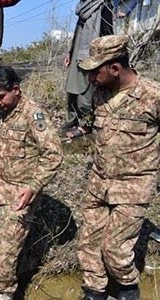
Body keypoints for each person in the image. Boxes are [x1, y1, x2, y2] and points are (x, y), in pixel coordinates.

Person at [0, 66, 62, 299]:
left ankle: (5, 291)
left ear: (15, 89)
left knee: (4, 261)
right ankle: (9, 232)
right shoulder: (3, 112)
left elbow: (54, 155)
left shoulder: (33, 114)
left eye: (0, 97)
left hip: (19, 193)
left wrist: (34, 187)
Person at [77, 35, 160, 300]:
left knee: (114, 248)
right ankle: (95, 291)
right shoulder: (100, 93)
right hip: (99, 181)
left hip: (134, 184)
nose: (90, 78)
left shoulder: (153, 95)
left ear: (115, 68)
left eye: (95, 72)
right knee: (89, 243)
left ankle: (127, 289)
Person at [60, 0, 114, 138]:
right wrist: (70, 53)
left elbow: (108, 35)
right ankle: (71, 120)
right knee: (71, 88)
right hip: (78, 52)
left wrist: (101, 60)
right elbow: (78, 33)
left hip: (91, 56)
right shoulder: (83, 8)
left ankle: (85, 125)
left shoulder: (103, 6)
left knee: (85, 92)